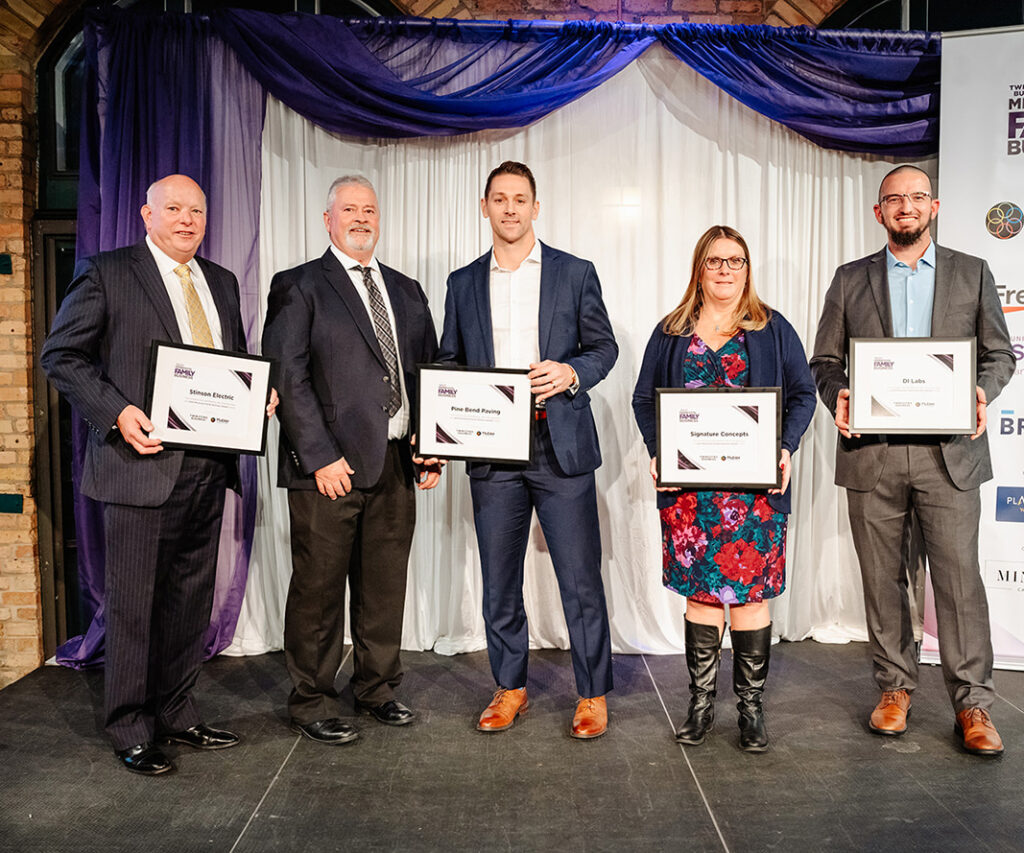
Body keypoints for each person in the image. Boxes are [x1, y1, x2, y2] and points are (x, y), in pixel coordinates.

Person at [41, 174, 277, 775]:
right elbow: (61, 356)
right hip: (136, 467)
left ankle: (177, 713)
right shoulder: (109, 272)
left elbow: (231, 369)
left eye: (196, 210)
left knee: (188, 602)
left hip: (208, 467)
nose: (187, 220)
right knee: (133, 606)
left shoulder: (221, 282)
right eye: (173, 209)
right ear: (147, 215)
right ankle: (130, 726)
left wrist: (259, 400)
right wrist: (118, 413)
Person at [810, 165, 1014, 756]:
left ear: (935, 206)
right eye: (894, 199)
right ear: (879, 212)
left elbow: (999, 354)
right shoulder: (850, 280)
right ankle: (895, 689)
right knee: (883, 581)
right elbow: (825, 361)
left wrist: (981, 392)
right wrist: (839, 395)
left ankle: (972, 704)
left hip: (948, 454)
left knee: (957, 583)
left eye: (916, 198)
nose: (905, 207)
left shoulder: (972, 273)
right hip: (872, 454)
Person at [438, 161, 618, 739]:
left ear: (536, 208)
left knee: (580, 579)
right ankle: (509, 686)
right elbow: (448, 363)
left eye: (521, 199)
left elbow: (603, 347)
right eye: (500, 199)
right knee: (498, 580)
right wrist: (444, 422)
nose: (511, 208)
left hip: (558, 442)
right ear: (485, 207)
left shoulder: (574, 272)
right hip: (492, 450)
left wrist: (570, 371)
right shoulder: (462, 283)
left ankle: (592, 693)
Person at [262, 175, 440, 746]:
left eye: (369, 209)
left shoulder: (407, 290)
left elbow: (430, 377)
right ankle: (310, 699)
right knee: (317, 589)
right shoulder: (299, 285)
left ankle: (377, 688)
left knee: (384, 587)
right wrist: (319, 457)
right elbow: (287, 375)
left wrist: (431, 445)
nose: (361, 218)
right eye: (349, 209)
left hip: (394, 462)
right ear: (328, 219)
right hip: (327, 469)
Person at [632, 225, 816, 752]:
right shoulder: (670, 330)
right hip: (691, 495)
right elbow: (645, 399)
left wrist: (784, 446)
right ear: (699, 267)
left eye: (735, 261)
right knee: (703, 597)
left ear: (747, 268)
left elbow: (802, 393)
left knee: (751, 599)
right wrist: (657, 449)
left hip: (754, 493)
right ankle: (700, 704)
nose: (725, 270)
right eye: (715, 261)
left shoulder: (771, 328)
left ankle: (751, 710)